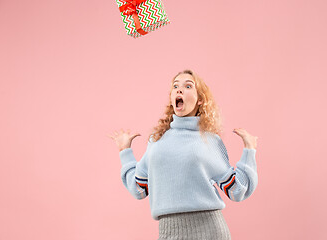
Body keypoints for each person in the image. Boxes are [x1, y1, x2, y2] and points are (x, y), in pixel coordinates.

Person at [109, 69, 258, 240]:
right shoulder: (156, 140)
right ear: (172, 97)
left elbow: (236, 190)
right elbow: (139, 189)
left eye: (188, 86)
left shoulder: (210, 141)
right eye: (175, 86)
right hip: (168, 232)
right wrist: (125, 152)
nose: (179, 89)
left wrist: (249, 150)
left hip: (210, 231)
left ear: (200, 100)